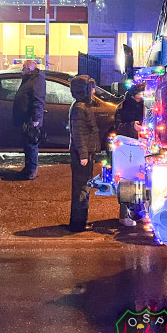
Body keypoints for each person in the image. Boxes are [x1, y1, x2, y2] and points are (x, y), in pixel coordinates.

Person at [67, 75, 99, 232]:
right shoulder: (80, 108)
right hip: (82, 155)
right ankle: (78, 224)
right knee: (82, 188)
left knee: (83, 187)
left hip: (84, 152)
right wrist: (84, 155)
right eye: (92, 88)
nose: (94, 91)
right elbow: (78, 134)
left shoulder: (82, 106)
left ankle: (78, 222)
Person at [113, 83, 145, 227]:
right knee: (127, 180)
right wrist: (132, 126)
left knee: (142, 180)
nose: (142, 96)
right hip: (127, 150)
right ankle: (125, 215)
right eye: (140, 94)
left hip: (143, 147)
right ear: (133, 95)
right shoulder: (123, 107)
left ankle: (140, 213)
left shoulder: (146, 106)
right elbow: (117, 127)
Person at [12, 59, 46, 180]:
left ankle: (32, 170)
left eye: (24, 68)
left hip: (31, 119)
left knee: (31, 144)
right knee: (27, 144)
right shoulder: (31, 79)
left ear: (30, 69)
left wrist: (36, 119)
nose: (22, 70)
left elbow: (38, 100)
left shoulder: (36, 81)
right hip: (26, 117)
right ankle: (28, 168)